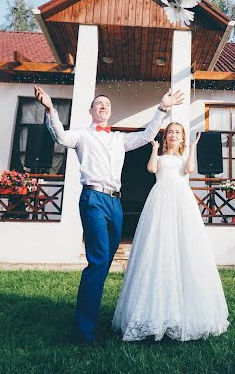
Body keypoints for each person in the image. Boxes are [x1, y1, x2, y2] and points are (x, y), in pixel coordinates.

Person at [34, 85, 184, 344]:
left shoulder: (119, 139)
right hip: (93, 198)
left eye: (107, 104)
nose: (104, 106)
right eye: (99, 104)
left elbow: (148, 133)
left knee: (104, 262)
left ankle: (90, 314)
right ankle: (83, 333)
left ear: (110, 112)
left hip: (116, 203)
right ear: (91, 111)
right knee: (99, 260)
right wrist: (50, 109)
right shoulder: (81, 135)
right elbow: (59, 137)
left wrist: (162, 107)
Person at [112, 122, 229, 342]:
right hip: (160, 200)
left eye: (177, 133)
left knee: (184, 245)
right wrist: (155, 149)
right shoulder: (161, 155)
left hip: (181, 201)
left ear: (182, 138)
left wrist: (193, 147)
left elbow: (190, 170)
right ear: (166, 137)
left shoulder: (183, 157)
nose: (174, 135)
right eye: (171, 132)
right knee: (158, 245)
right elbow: (151, 169)